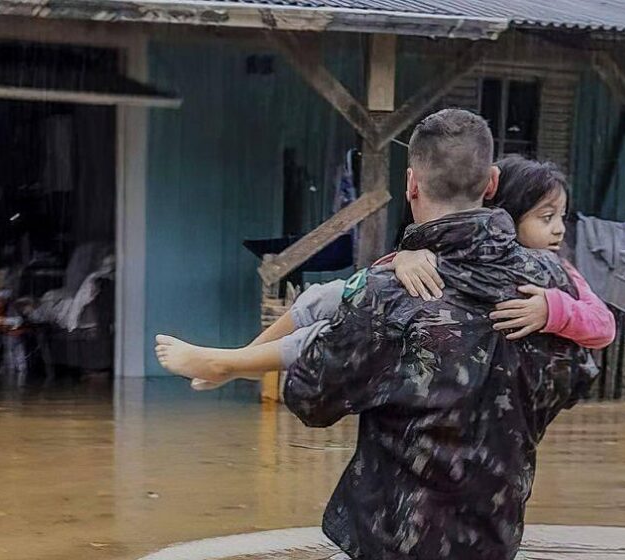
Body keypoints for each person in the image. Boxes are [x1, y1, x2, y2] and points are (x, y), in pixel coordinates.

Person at [162, 108, 597, 560]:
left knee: (327, 307)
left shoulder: (387, 293)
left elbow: (310, 399)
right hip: (496, 536)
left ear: (411, 184)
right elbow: (577, 378)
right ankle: (228, 362)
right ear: (490, 184)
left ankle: (229, 362)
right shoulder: (552, 279)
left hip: (394, 541)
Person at [154, 156, 615, 383]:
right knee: (322, 298)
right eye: (545, 217)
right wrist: (405, 257)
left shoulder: (555, 275)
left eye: (560, 218)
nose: (557, 230)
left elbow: (604, 326)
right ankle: (238, 362)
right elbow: (380, 279)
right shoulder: (455, 245)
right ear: (503, 208)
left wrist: (553, 310)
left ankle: (228, 365)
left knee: (330, 336)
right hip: (434, 340)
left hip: (454, 358)